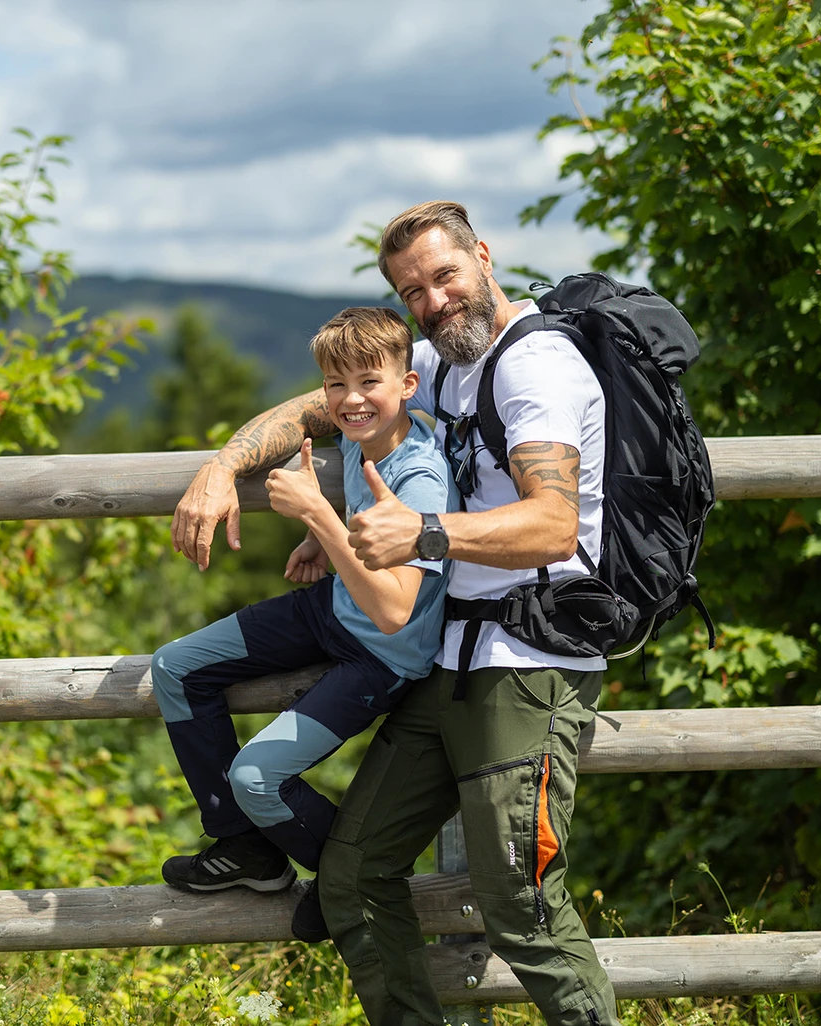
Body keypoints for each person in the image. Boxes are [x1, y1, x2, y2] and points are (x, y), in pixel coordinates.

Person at [171, 201, 621, 1026]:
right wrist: (220, 467)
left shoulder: (535, 368)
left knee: (519, 906)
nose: (434, 300)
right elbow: (321, 407)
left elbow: (554, 525)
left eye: (445, 275)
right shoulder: (439, 359)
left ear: (483, 258)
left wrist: (416, 532)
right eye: (413, 290)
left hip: (526, 667)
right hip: (447, 660)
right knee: (350, 876)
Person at [152, 306, 452, 944]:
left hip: (383, 654)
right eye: (336, 385)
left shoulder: (421, 474)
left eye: (369, 382)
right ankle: (245, 848)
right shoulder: (361, 430)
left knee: (257, 776)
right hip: (333, 606)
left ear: (409, 384)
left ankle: (352, 877)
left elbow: (396, 611)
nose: (351, 400)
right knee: (175, 667)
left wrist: (321, 519)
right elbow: (301, 433)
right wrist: (227, 471)